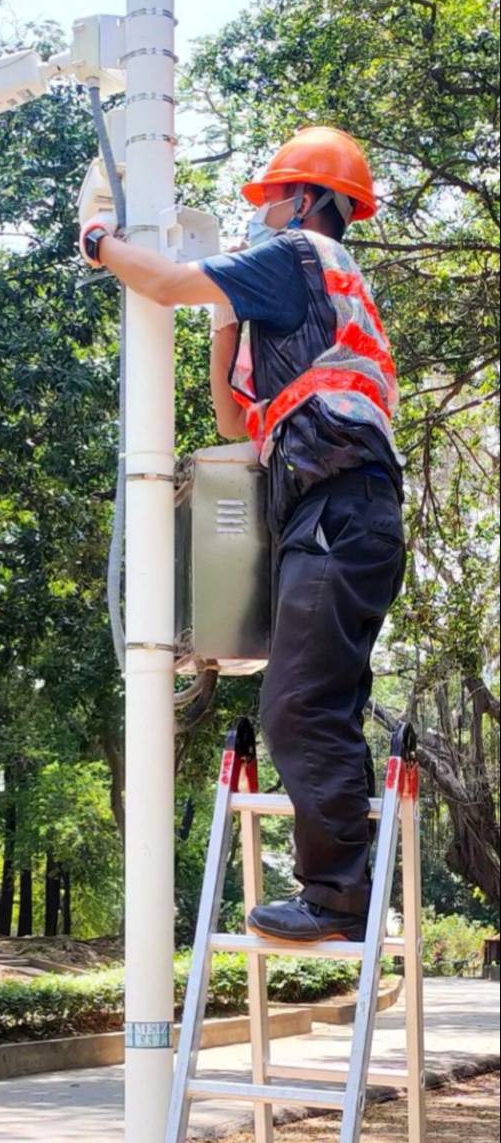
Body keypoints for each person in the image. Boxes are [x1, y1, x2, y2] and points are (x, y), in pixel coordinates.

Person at [80, 125, 405, 945]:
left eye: (269, 201)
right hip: (342, 514)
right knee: (315, 701)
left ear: (303, 200)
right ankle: (342, 886)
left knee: (296, 707)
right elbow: (235, 416)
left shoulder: (298, 254)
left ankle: (336, 896)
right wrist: (228, 317)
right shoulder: (312, 301)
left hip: (336, 510)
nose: (262, 215)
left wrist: (96, 240)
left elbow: (158, 281)